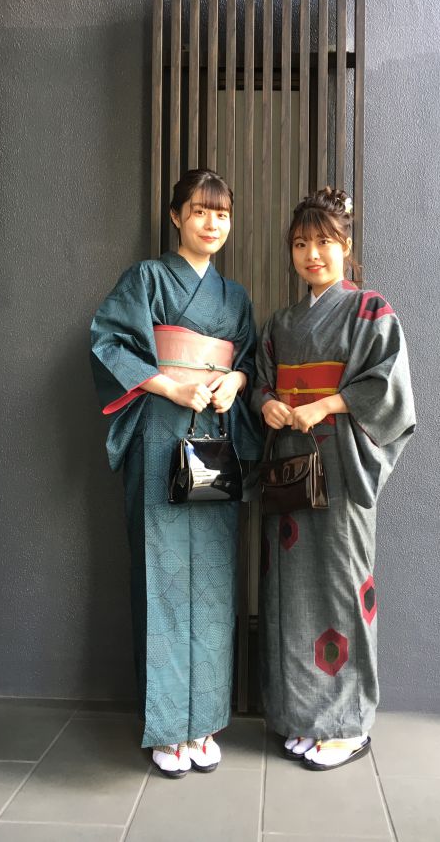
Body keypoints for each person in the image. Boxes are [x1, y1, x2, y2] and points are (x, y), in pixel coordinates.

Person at [90, 169, 261, 778]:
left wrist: (235, 380)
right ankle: (167, 728)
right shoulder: (147, 279)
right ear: (175, 217)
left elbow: (250, 360)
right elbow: (110, 344)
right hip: (162, 431)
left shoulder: (236, 297)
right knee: (160, 573)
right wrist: (171, 386)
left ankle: (205, 720)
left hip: (216, 435)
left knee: (213, 575)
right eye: (200, 211)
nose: (212, 223)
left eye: (222, 213)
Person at [253, 187, 416, 770]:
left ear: (346, 245)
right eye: (301, 244)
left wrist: (326, 404)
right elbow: (261, 380)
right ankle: (302, 718)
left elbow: (387, 385)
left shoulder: (370, 310)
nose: (312, 254)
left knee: (344, 587)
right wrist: (269, 403)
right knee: (289, 593)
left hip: (341, 465)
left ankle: (347, 725)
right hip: (290, 467)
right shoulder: (281, 322)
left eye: (324, 241)